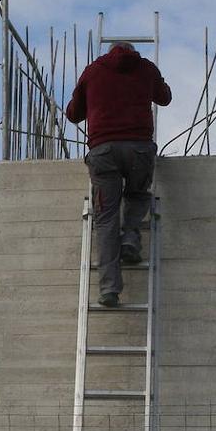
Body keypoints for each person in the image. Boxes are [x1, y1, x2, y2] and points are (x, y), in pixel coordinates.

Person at [65, 41, 171, 307]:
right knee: (137, 194)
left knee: (106, 219)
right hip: (139, 148)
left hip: (103, 151)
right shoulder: (146, 68)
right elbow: (165, 98)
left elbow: (72, 115)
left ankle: (110, 289)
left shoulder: (92, 71)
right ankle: (131, 238)